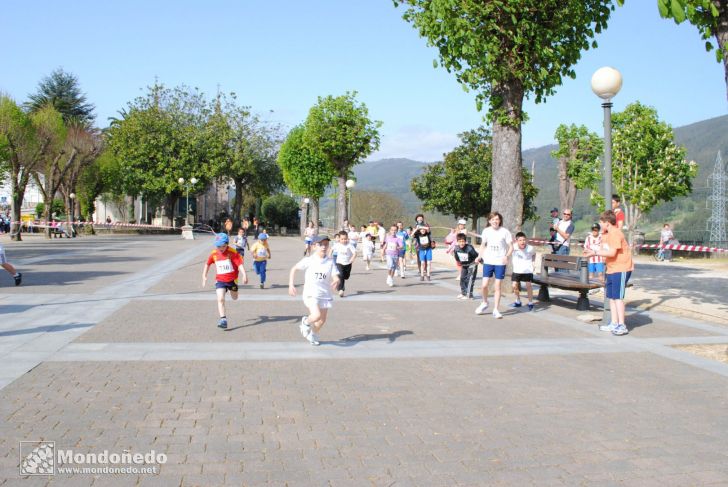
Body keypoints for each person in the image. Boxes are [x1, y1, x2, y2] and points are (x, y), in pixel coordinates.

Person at [583, 210, 634, 336]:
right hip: (611, 268)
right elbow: (603, 250)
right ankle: (614, 322)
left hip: (621, 268)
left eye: (601, 222)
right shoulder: (605, 235)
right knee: (611, 297)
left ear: (607, 222)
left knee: (618, 298)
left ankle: (622, 325)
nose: (600, 224)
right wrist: (592, 250)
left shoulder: (616, 233)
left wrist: (594, 253)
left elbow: (612, 253)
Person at [289, 235, 340, 346]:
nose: (323, 247)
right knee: (316, 315)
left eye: (326, 244)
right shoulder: (309, 260)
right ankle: (305, 322)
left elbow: (335, 276)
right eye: (320, 244)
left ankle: (312, 334)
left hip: (324, 294)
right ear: (314, 246)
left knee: (322, 321)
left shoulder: (330, 262)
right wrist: (291, 284)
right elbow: (294, 269)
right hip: (311, 293)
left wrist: (336, 281)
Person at [202, 233, 248, 329]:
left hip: (232, 280)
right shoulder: (214, 253)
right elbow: (208, 264)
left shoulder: (232, 252)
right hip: (220, 280)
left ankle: (232, 290)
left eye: (223, 246)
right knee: (220, 299)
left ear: (227, 244)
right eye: (219, 246)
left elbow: (239, 264)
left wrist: (244, 274)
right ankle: (223, 319)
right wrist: (204, 275)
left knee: (235, 297)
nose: (221, 248)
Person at [475, 212, 513, 319]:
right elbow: (483, 245)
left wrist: (506, 256)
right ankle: (484, 302)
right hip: (488, 261)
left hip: (500, 262)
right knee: (484, 285)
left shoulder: (505, 232)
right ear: (489, 221)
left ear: (500, 220)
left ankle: (496, 309)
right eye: (493, 219)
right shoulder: (486, 231)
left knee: (497, 286)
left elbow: (511, 247)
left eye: (497, 219)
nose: (495, 221)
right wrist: (479, 256)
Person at [510, 232, 535, 311]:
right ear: (516, 241)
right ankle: (518, 301)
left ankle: (530, 302)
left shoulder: (530, 248)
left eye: (524, 240)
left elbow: (534, 254)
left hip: (527, 270)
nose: (522, 242)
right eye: (520, 240)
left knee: (528, 286)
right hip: (517, 270)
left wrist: (533, 263)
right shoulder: (513, 247)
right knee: (514, 286)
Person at [453, 233, 479, 300]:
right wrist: (459, 262)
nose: (461, 243)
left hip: (472, 264)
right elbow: (456, 257)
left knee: (470, 279)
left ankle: (469, 295)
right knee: (462, 278)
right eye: (460, 241)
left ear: (465, 241)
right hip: (464, 265)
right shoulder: (456, 248)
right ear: (457, 242)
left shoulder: (469, 248)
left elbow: (476, 255)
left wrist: (482, 262)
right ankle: (463, 293)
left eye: (463, 241)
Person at [332, 230, 356, 297]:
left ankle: (341, 284)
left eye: (345, 239)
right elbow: (331, 249)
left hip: (348, 263)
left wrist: (352, 258)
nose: (344, 240)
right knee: (341, 275)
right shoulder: (337, 245)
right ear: (339, 239)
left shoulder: (349, 245)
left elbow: (355, 253)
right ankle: (341, 290)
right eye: (342, 239)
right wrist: (328, 256)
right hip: (339, 262)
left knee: (346, 277)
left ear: (347, 238)